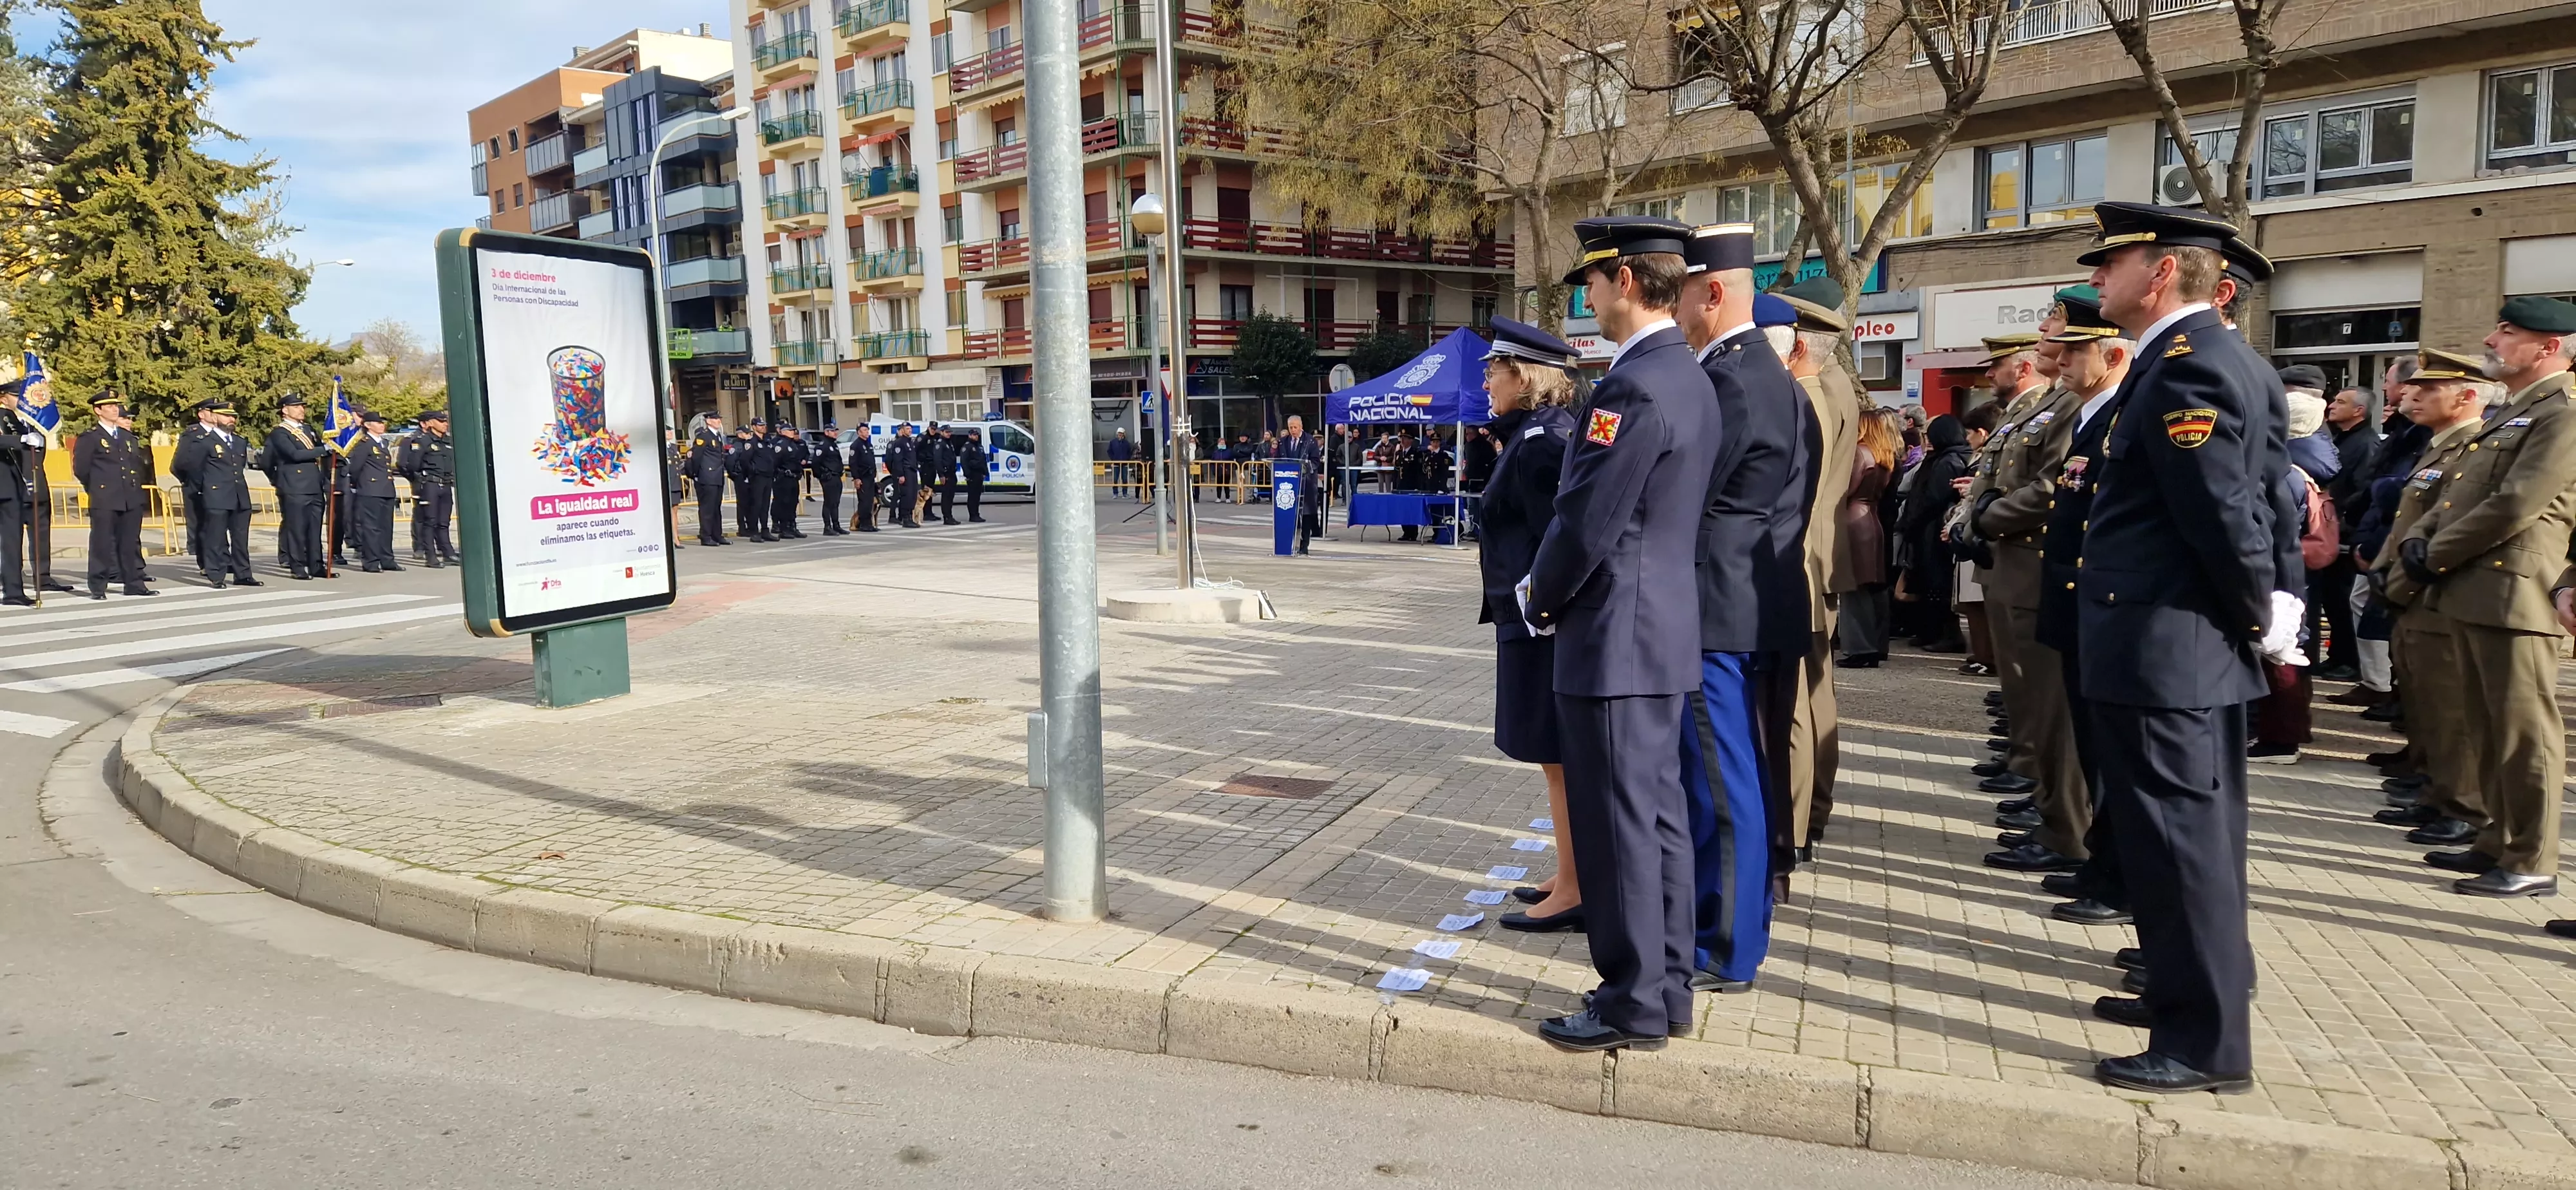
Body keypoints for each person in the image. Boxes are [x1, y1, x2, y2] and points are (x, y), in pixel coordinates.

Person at [2072, 202, 2293, 1095]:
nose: (2096, 281)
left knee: (2179, 844)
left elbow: (2224, 514)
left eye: (2109, 264)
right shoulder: (2192, 360)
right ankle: (2184, 993)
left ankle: (2204, 1044)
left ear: (2160, 272)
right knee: (2178, 839)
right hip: (2171, 644)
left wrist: (2259, 612)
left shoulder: (2189, 367)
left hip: (2172, 646)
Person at [1520, 215, 1716, 1052]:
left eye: (1593, 282)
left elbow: (1588, 520)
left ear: (1628, 283)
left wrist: (1538, 594)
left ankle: (1631, 999)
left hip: (1614, 640)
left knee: (1620, 826)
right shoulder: (1689, 375)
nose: (1588, 298)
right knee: (1658, 820)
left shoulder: (1635, 388)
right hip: (1660, 632)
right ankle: (1663, 986)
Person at [2404, 297, 2576, 899]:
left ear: (2549, 348)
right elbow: (2460, 495)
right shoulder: (2518, 411)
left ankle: (2532, 857)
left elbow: (2518, 503)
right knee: (2486, 728)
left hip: (2515, 592)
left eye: (2508, 332)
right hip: (2475, 589)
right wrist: (2423, 540)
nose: (2491, 340)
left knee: (2524, 734)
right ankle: (2498, 841)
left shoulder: (2562, 412)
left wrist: (2437, 552)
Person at [1672, 222, 1797, 994]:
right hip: (1733, 597)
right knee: (1729, 775)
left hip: (1713, 602)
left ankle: (1725, 945)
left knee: (1721, 783)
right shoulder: (1756, 370)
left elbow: (1693, 497)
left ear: (1711, 293)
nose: (1678, 310)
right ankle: (1733, 928)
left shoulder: (1730, 379)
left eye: (1683, 294)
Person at [1975, 292, 2121, 874]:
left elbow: (2056, 487)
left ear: (2108, 351)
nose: (2055, 350)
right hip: (2028, 567)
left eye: (2066, 339)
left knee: (2053, 707)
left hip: (2046, 570)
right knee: (2034, 700)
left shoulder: (2083, 407)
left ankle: (2066, 827)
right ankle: (2051, 808)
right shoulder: (2065, 403)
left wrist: (1988, 516)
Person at [1475, 321, 1585, 932]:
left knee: (1557, 755)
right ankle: (1569, 870)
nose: (1487, 381)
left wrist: (1541, 613)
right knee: (1552, 758)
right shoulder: (1535, 434)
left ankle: (1574, 885)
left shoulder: (1542, 440)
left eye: (1496, 371)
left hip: (1538, 622)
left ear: (1525, 377)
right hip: (1529, 617)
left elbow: (1555, 541)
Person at [2371, 350, 2496, 860]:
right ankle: (2436, 793)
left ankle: (2462, 808)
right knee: (2426, 706)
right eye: (2413, 386)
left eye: (2429, 389)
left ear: (2467, 396)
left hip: (2435, 592)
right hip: (2410, 590)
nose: (2410, 395)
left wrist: (2403, 577)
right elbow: (2408, 522)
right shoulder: (2438, 447)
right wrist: (2383, 567)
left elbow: (2445, 529)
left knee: (2451, 711)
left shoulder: (2471, 447)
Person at [1770, 277, 1858, 856]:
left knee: (1795, 705)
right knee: (1817, 695)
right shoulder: (1840, 387)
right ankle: (1814, 809)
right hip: (1822, 558)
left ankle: (1795, 825)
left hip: (1801, 561)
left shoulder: (1805, 395)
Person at [2314, 382, 2380, 681]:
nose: (2332, 405)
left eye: (2341, 402)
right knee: (2333, 599)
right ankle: (2338, 656)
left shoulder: (2365, 444)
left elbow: (2364, 488)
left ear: (2359, 411)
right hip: (2334, 529)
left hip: (2347, 531)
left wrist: (2341, 514)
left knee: (2343, 599)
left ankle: (2351, 661)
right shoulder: (2340, 439)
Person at [1893, 413, 1973, 652]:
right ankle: (1929, 631)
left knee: (1939, 584)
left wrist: (1915, 521)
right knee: (1927, 582)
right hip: (1925, 528)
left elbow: (1934, 498)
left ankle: (1947, 635)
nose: (1927, 440)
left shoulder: (1949, 460)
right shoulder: (1938, 458)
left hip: (1934, 529)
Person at [1835, 408, 1902, 666]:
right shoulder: (1884, 456)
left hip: (1853, 519)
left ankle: (1859, 649)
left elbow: (1846, 488)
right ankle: (1877, 645)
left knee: (1854, 586)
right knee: (1874, 586)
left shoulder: (1860, 454)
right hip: (1873, 519)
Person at [169, 398, 259, 587]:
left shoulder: (239, 442)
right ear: (215, 417)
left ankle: (243, 574)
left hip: (239, 496)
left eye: (233, 417)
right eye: (226, 416)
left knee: (240, 538)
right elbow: (192, 468)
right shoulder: (204, 442)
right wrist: (203, 490)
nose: (231, 420)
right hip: (216, 496)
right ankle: (216, 574)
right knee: (215, 537)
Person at [263, 393, 330, 580]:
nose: (302, 410)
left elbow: (317, 451)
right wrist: (278, 479)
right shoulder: (280, 433)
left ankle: (316, 565)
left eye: (302, 406)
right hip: (294, 486)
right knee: (297, 528)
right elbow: (294, 454)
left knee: (314, 528)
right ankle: (298, 566)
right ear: (285, 410)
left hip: (314, 485)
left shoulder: (308, 430)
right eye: (297, 406)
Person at [395, 410, 459, 567]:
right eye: (440, 421)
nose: (445, 424)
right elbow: (412, 465)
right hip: (430, 485)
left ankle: (448, 553)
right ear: (430, 423)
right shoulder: (422, 441)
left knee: (444, 522)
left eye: (445, 421)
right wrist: (420, 481)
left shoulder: (448, 441)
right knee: (429, 521)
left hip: (445, 485)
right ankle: (430, 556)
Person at [344, 411, 401, 573]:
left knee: (386, 527)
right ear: (368, 425)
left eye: (382, 422)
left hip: (386, 490)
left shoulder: (382, 443)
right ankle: (371, 561)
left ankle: (387, 559)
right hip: (370, 490)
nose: (382, 425)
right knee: (371, 528)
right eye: (378, 422)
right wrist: (358, 485)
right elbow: (355, 468)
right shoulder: (364, 443)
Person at [0, 386, 35, 605]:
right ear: (3, 398)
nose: (21, 400)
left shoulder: (19, 420)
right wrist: (21, 441)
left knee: (13, 542)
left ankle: (13, 591)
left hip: (11, 486)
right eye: (17, 396)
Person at [1273, 414, 1324, 552]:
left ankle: (1304, 546)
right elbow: (1277, 460)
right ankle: (1289, 544)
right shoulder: (1283, 442)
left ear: (1301, 427)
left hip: (1306, 484)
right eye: (1291, 427)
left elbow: (1315, 461)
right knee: (1291, 514)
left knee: (1306, 514)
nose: (1293, 430)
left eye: (1295, 427)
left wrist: (1305, 468)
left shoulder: (1310, 441)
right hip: (1288, 484)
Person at [688, 413, 730, 545]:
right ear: (708, 421)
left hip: (717, 477)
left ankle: (717, 534)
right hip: (707, 477)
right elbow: (697, 457)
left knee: (716, 507)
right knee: (707, 508)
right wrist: (696, 474)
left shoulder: (718, 436)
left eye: (719, 419)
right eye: (716, 419)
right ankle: (706, 536)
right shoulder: (703, 436)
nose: (719, 421)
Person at [813, 422, 849, 534]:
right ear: (826, 432)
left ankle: (836, 525)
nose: (835, 433)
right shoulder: (823, 445)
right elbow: (815, 463)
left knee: (836, 503)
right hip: (829, 477)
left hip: (836, 476)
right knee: (829, 502)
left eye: (836, 431)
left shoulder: (833, 445)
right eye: (833, 431)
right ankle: (827, 527)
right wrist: (821, 476)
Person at [884, 422, 922, 528]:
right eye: (907, 429)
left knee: (913, 495)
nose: (910, 430)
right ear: (902, 430)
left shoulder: (910, 442)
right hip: (906, 471)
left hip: (913, 471)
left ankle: (910, 517)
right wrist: (900, 474)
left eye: (910, 429)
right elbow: (898, 460)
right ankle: (905, 518)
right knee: (907, 495)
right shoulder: (900, 443)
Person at [848, 424, 880, 533]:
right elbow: (853, 463)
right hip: (862, 477)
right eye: (864, 430)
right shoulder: (856, 445)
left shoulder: (868, 444)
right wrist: (856, 478)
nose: (867, 432)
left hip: (870, 477)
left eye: (867, 430)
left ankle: (869, 523)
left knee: (870, 501)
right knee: (864, 502)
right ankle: (863, 524)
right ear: (859, 433)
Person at [932, 424, 962, 525]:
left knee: (951, 496)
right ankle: (947, 517)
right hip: (946, 474)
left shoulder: (949, 442)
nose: (949, 434)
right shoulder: (940, 444)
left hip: (952, 473)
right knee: (947, 496)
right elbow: (937, 460)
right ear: (941, 432)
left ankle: (950, 516)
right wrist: (941, 475)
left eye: (950, 432)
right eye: (947, 432)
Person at [958, 428, 989, 522]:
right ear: (970, 436)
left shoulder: (979, 446)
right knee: (972, 496)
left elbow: (983, 460)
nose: (976, 437)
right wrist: (968, 475)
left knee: (977, 496)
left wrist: (985, 472)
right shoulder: (967, 447)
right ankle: (973, 515)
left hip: (979, 474)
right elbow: (964, 462)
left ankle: (977, 514)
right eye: (974, 435)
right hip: (972, 474)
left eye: (977, 435)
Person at [1106, 427, 1136, 497]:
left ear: (1124, 434)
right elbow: (1109, 451)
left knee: (1125, 479)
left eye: (1121, 433)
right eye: (1119, 433)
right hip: (1116, 464)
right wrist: (1113, 459)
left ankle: (1125, 493)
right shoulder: (1113, 442)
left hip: (1124, 464)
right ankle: (1115, 493)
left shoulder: (1127, 443)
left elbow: (1130, 452)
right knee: (1115, 479)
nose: (1120, 435)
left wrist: (1127, 459)